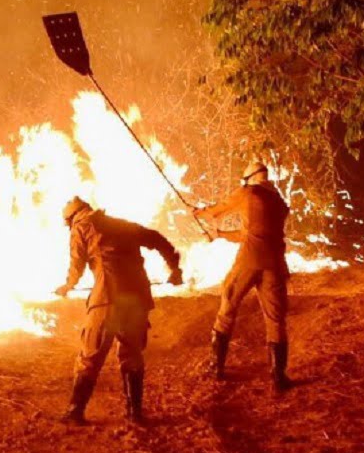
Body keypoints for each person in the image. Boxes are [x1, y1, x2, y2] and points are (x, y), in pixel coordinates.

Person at [55, 196, 183, 424]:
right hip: (136, 301)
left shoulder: (80, 227)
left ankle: (75, 412)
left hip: (107, 301)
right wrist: (174, 268)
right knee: (132, 355)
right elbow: (158, 239)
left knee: (90, 355)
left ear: (71, 218)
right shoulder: (122, 224)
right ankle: (135, 414)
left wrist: (68, 285)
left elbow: (77, 263)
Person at [194, 160, 291, 393]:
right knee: (275, 319)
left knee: (228, 301)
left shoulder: (248, 192)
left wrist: (200, 212)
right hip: (275, 264)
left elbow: (218, 210)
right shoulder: (278, 202)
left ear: (249, 179)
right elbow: (250, 233)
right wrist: (219, 234)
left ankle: (216, 366)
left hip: (250, 261)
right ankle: (278, 377)